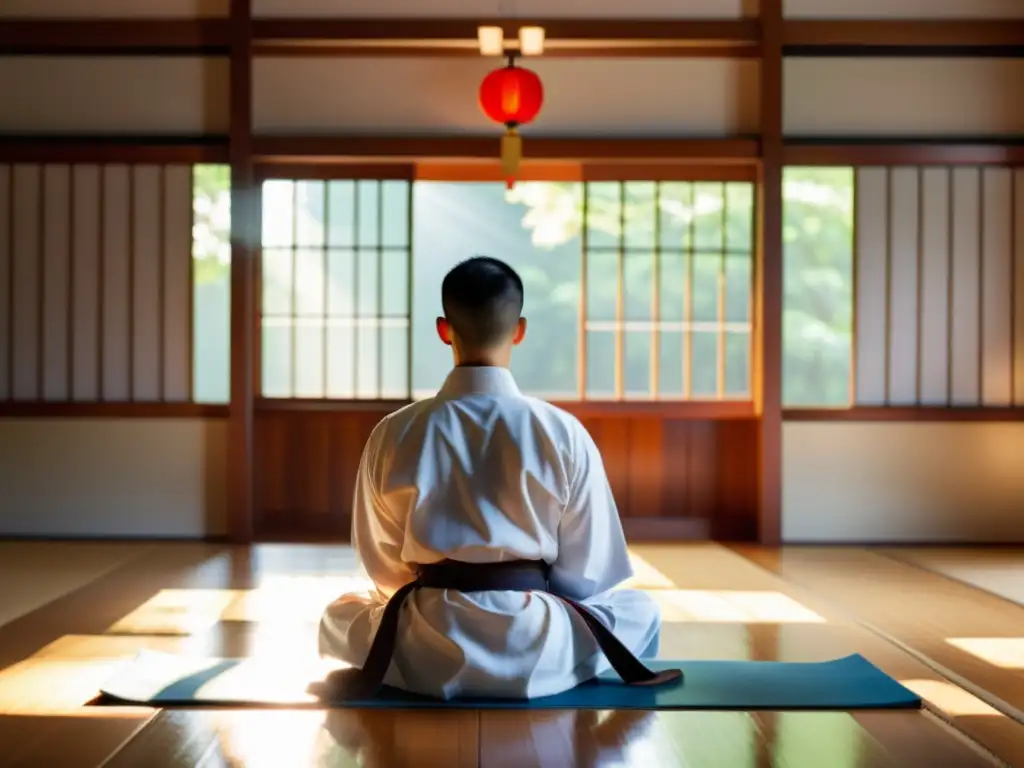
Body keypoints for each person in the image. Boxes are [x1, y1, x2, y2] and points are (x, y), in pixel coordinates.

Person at [318, 256, 666, 700]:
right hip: (537, 641)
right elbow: (586, 576)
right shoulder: (561, 430)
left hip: (425, 643)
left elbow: (384, 568)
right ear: (519, 330)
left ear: (444, 330)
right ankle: (560, 673)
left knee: (338, 614)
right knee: (640, 609)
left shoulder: (394, 431)